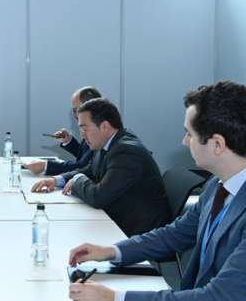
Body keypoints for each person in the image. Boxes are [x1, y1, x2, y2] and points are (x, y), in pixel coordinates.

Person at [67, 81, 246, 301]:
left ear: (217, 144)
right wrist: (112, 251)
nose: (184, 141)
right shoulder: (219, 184)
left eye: (189, 133)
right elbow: (174, 234)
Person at [31, 98, 171, 237]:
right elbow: (91, 170)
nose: (82, 135)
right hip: (119, 219)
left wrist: (77, 180)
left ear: (105, 126)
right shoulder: (109, 141)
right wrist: (57, 180)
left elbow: (98, 197)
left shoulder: (126, 151)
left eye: (84, 128)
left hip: (139, 232)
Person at [24, 86, 100, 176]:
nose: (73, 114)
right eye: (72, 110)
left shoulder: (99, 129)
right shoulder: (91, 125)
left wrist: (45, 166)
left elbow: (82, 166)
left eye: (76, 110)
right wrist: (68, 141)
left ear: (90, 107)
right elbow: (86, 157)